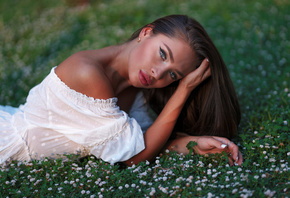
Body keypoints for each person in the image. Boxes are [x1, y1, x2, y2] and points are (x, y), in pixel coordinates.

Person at [0, 14, 243, 166]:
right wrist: (183, 90)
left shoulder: (135, 88)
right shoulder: (88, 74)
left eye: (173, 75)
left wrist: (192, 144)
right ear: (146, 33)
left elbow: (141, 143)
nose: (158, 73)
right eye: (162, 54)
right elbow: (131, 158)